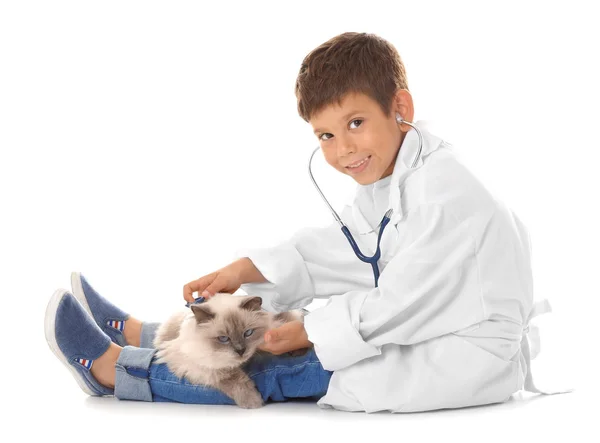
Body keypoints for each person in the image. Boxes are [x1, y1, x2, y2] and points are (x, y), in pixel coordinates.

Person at [45, 32, 565, 413]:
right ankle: (149, 332)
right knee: (249, 327)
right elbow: (351, 245)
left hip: (460, 354)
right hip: (433, 330)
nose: (342, 151)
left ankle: (116, 371)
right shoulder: (402, 174)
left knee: (260, 366)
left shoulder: (445, 191)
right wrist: (246, 268)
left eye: (354, 123)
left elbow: (404, 300)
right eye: (326, 136)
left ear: (399, 106)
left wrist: (308, 334)